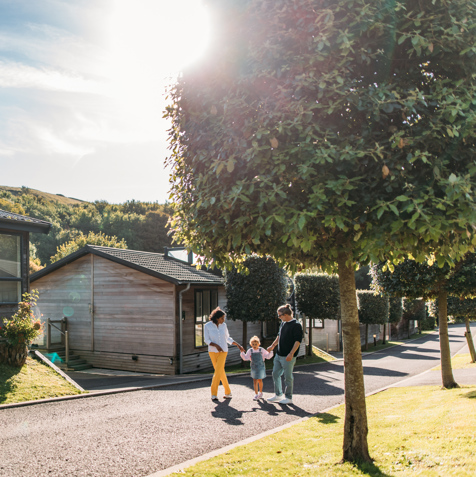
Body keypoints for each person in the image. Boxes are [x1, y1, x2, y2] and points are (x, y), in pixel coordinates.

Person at [204, 307, 244, 401]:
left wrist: (238, 345)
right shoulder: (207, 326)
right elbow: (206, 340)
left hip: (223, 351)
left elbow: (227, 338)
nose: (223, 320)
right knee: (221, 372)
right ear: (217, 318)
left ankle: (213, 394)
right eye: (222, 318)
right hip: (212, 352)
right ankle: (228, 392)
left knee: (217, 372)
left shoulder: (224, 325)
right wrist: (216, 345)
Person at [266, 304, 303, 405]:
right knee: (275, 374)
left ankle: (288, 397)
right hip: (279, 354)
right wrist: (272, 346)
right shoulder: (283, 323)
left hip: (288, 356)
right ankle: (278, 395)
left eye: (280, 315)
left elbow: (297, 341)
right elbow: (279, 336)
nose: (279, 317)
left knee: (288, 377)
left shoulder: (296, 325)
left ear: (286, 314)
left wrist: (291, 353)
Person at [240, 335, 274, 400]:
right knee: (255, 380)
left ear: (259, 344)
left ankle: (260, 392)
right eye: (253, 344)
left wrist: (271, 351)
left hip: (261, 367)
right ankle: (256, 394)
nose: (254, 345)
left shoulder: (261, 350)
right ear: (251, 344)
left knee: (260, 380)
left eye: (256, 344)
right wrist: (242, 352)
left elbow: (268, 356)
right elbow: (246, 358)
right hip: (254, 367)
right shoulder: (250, 351)